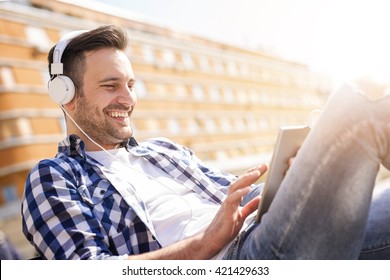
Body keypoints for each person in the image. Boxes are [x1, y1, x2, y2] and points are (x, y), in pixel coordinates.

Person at [21, 24, 390, 260]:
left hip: (265, 233)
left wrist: (292, 186)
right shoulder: (54, 176)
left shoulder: (163, 151)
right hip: (238, 260)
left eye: (130, 85)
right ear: (65, 93)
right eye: (110, 86)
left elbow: (236, 203)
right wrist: (205, 242)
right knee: (364, 97)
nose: (128, 99)